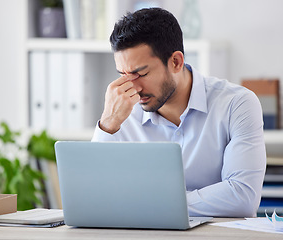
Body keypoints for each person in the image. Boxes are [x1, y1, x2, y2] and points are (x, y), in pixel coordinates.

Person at [92, 8, 266, 217]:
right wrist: (108, 123)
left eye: (141, 73)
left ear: (176, 61)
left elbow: (242, 198)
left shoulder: (236, 104)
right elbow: (94, 196)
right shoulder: (121, 112)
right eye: (123, 74)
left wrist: (150, 204)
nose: (133, 87)